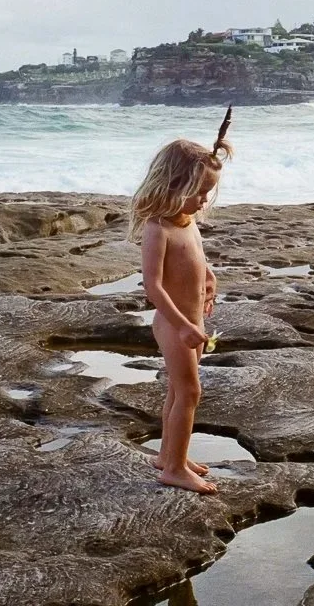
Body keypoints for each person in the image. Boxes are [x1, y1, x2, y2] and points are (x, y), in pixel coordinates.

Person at [129, 107, 233, 494]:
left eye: (208, 193)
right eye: (199, 192)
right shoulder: (157, 228)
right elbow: (153, 288)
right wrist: (184, 325)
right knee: (190, 392)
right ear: (172, 184)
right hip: (175, 324)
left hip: (192, 321)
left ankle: (170, 454)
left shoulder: (186, 223)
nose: (204, 200)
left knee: (177, 391)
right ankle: (173, 468)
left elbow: (197, 260)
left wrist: (208, 277)